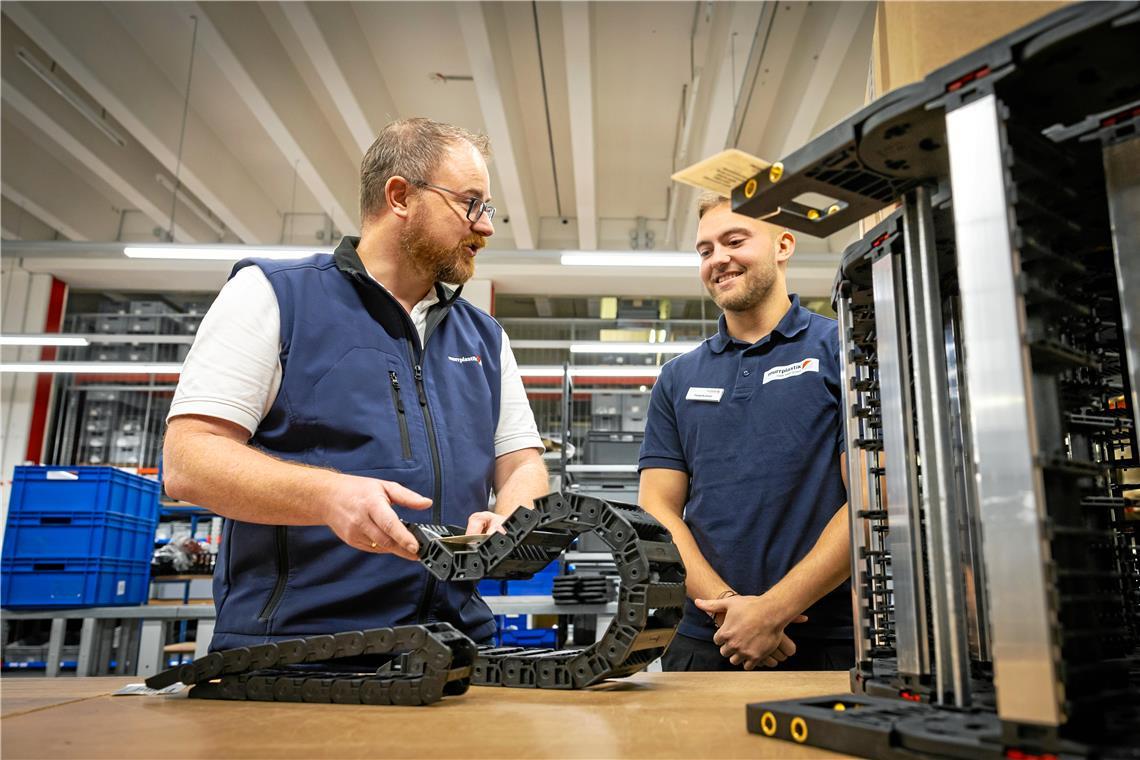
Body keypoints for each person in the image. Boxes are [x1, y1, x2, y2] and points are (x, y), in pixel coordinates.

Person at [163, 118, 549, 650]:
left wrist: (511, 519)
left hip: (454, 644)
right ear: (399, 197)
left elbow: (522, 464)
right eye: (470, 203)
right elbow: (190, 461)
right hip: (299, 650)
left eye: (487, 209)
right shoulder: (274, 296)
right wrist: (327, 495)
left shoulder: (483, 336)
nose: (485, 227)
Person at [638, 192, 851, 671]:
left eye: (735, 240)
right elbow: (658, 507)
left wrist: (773, 611)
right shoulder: (678, 377)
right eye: (705, 250)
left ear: (784, 245)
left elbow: (870, 498)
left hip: (825, 638)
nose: (719, 259)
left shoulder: (842, 349)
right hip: (705, 636)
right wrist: (732, 610)